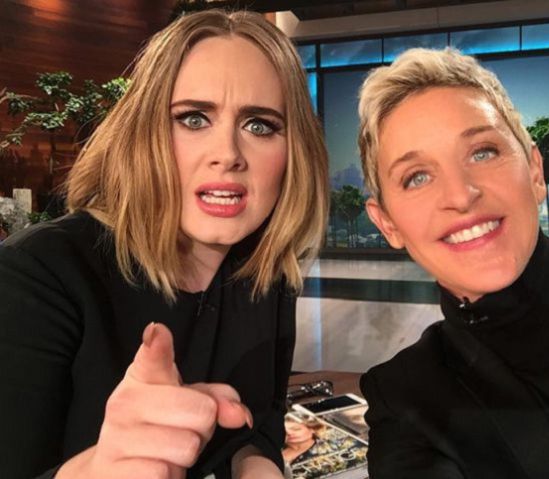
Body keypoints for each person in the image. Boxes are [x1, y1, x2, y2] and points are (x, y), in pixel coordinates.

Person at [0, 9, 327, 479]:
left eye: (259, 125)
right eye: (193, 118)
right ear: (143, 133)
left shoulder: (267, 274)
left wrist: (256, 464)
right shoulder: (35, 277)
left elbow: (261, 421)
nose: (228, 155)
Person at [357, 47, 549, 478]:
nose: (460, 195)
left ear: (535, 170)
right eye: (417, 177)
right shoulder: (404, 399)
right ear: (387, 224)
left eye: (483, 152)